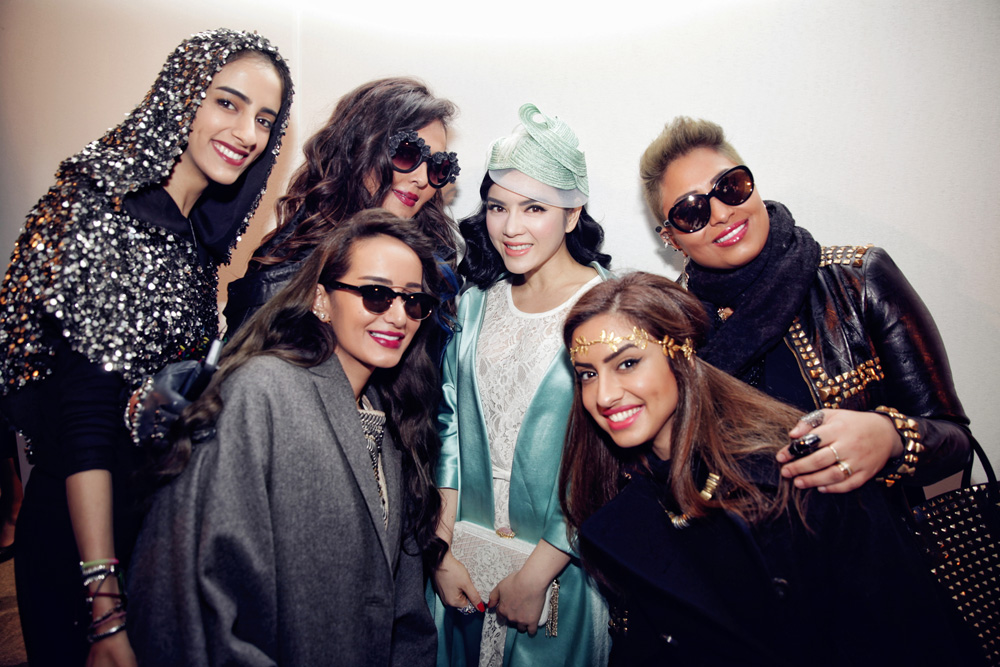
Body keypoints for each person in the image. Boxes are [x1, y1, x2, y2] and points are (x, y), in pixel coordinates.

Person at [0, 29, 293, 665]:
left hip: (150, 533)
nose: (247, 132)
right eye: (228, 102)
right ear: (179, 98)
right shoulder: (103, 211)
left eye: (265, 120)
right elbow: (84, 425)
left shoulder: (194, 241)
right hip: (83, 545)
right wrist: (105, 612)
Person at [559, 272, 986, 666]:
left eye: (627, 363)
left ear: (683, 354)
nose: (604, 395)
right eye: (587, 374)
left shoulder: (797, 472)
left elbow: (900, 634)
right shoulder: (625, 498)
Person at [128, 210, 445, 666]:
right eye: (376, 295)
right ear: (321, 300)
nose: (398, 317)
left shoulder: (391, 414)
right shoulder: (263, 389)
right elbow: (195, 590)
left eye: (413, 302)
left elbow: (403, 605)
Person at [639, 117, 971, 500]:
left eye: (730, 187)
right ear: (672, 238)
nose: (721, 214)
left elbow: (955, 441)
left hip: (879, 533)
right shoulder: (668, 329)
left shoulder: (858, 279)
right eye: (691, 211)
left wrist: (890, 437)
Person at [429, 103, 611, 666]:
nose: (510, 228)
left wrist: (535, 576)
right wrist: (441, 552)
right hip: (462, 569)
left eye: (535, 207)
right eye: (497, 207)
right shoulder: (473, 304)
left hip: (559, 575)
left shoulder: (610, 310)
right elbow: (448, 431)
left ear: (573, 214)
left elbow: (605, 460)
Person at [224, 76, 460, 336]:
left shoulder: (435, 265)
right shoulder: (289, 267)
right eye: (407, 154)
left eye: (437, 166)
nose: (422, 179)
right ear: (359, 148)